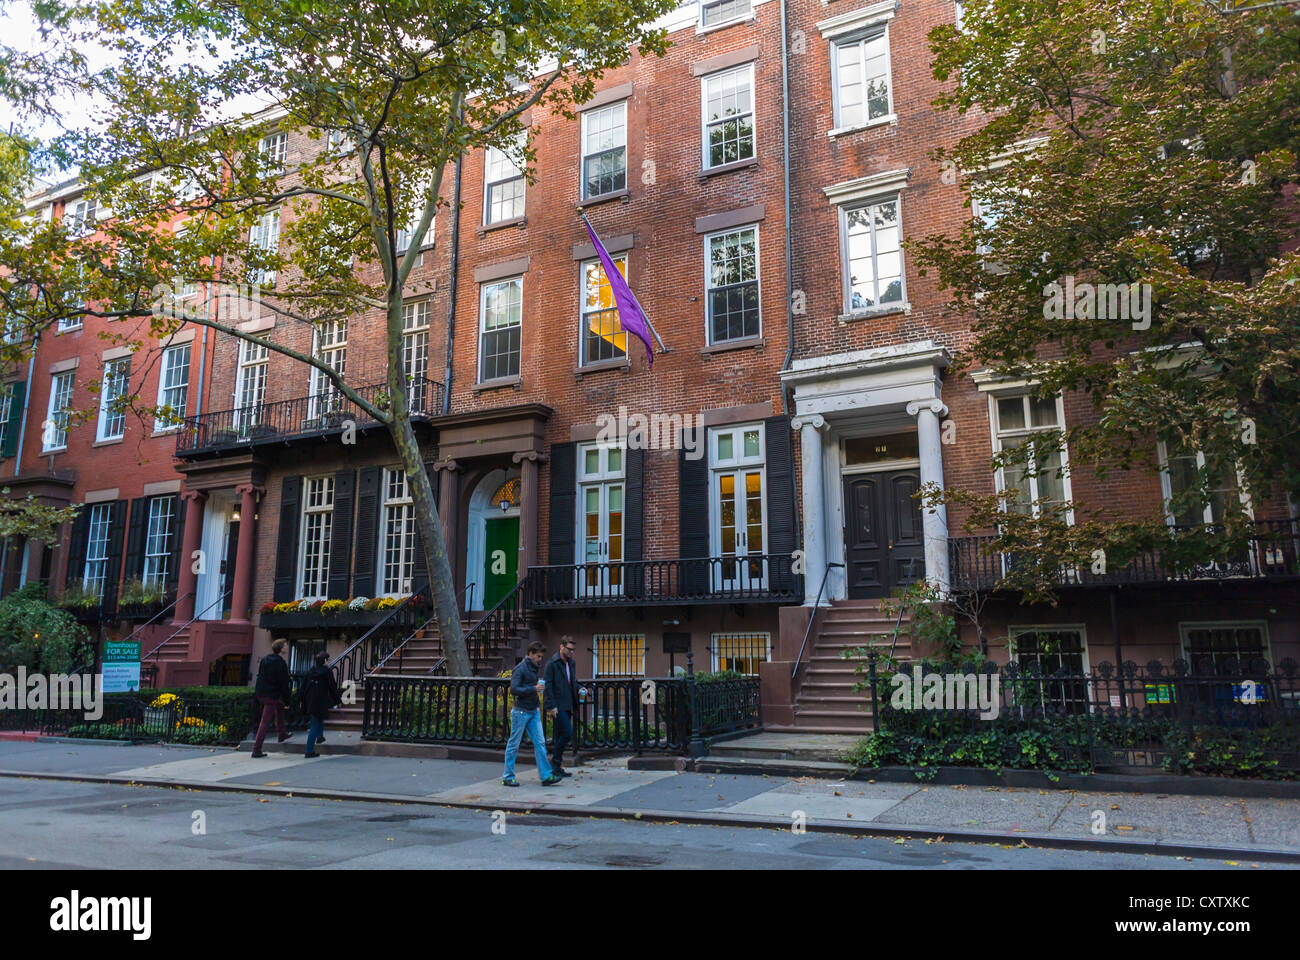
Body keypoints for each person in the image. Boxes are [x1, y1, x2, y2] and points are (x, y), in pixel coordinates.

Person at [503, 641, 562, 787]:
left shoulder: (533, 667)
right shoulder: (520, 668)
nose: (540, 659)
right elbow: (514, 689)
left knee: (540, 743)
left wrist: (536, 703)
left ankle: (546, 776)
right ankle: (508, 776)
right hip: (520, 711)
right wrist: (533, 688)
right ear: (530, 653)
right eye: (538, 656)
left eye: (541, 656)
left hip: (532, 710)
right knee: (514, 744)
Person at [543, 635, 583, 777]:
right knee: (567, 733)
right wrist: (551, 706)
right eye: (569, 649)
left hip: (568, 704)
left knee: (561, 734)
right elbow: (548, 686)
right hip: (557, 706)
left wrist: (580, 688)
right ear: (561, 647)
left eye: (573, 650)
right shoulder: (552, 664)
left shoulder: (571, 663)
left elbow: (572, 681)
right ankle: (554, 763)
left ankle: (557, 766)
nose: (571, 652)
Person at [250, 639, 291, 757]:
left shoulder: (265, 659)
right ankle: (256, 749)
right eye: (286, 645)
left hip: (262, 692)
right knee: (265, 722)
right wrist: (288, 699)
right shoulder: (280, 663)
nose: (287, 647)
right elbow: (284, 682)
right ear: (281, 648)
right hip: (271, 694)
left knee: (280, 707)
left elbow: (260, 676)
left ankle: (282, 734)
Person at [298, 651, 342, 758]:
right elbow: (332, 687)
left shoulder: (310, 671)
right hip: (320, 701)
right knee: (314, 725)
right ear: (325, 661)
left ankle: (320, 736)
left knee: (318, 719)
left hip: (310, 700)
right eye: (328, 660)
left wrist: (300, 700)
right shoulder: (327, 672)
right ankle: (309, 750)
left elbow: (303, 687)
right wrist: (338, 701)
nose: (329, 662)